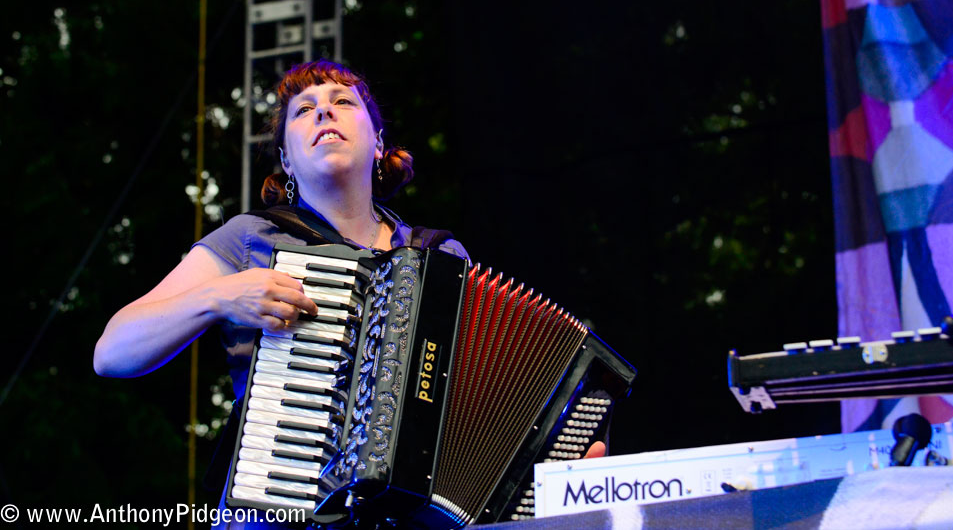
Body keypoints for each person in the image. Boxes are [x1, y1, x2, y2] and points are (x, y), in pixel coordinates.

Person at [94, 59, 601, 527]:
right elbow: (112, 352)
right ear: (286, 161)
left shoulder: (440, 256)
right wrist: (218, 296)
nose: (324, 113)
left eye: (342, 101)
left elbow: (482, 403)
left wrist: (545, 459)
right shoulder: (251, 237)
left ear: (378, 143)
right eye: (304, 110)